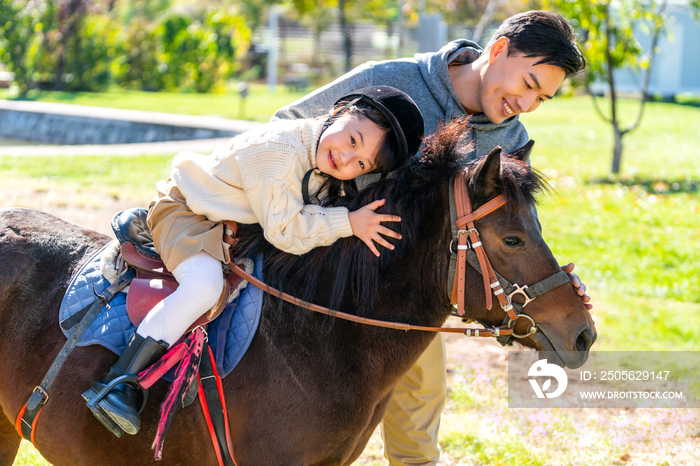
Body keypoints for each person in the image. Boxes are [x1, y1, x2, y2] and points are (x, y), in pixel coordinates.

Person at [273, 10, 592, 466]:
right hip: (321, 264)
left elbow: (515, 229)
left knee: (419, 417)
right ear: (498, 50)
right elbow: (287, 123)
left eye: (542, 97)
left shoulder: (511, 139)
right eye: (528, 83)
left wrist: (551, 285)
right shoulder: (394, 80)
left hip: (408, 295)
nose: (527, 103)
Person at [83, 85, 425, 437]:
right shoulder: (279, 152)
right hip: (188, 211)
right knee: (204, 286)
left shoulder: (320, 159)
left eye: (362, 164)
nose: (347, 160)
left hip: (226, 221)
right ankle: (118, 381)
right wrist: (349, 222)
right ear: (341, 111)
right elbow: (286, 230)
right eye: (353, 141)